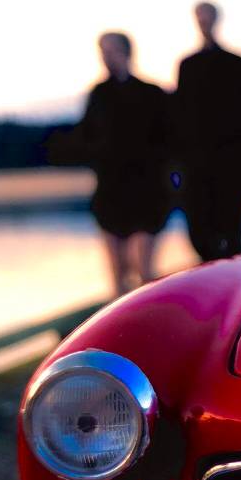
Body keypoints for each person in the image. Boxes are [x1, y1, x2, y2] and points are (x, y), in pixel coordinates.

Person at [77, 32, 171, 296]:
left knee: (144, 273)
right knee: (117, 279)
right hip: (111, 193)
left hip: (145, 192)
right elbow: (86, 137)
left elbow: (166, 139)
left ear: (127, 52)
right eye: (103, 51)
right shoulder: (99, 94)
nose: (106, 57)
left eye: (111, 50)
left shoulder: (151, 93)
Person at [175, 1, 241, 261]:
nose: (203, 23)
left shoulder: (238, 65)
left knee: (232, 231)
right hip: (198, 164)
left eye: (207, 17)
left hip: (232, 162)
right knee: (201, 232)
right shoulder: (188, 66)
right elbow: (180, 113)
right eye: (200, 18)